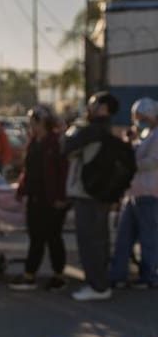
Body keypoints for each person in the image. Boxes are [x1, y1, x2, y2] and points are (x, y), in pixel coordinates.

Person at [64, 91, 120, 301]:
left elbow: (67, 148)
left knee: (90, 242)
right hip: (99, 193)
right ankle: (100, 283)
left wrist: (71, 128)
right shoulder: (105, 130)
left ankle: (97, 286)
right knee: (99, 240)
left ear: (103, 108)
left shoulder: (92, 131)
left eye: (92, 104)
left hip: (88, 194)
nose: (88, 107)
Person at [8, 105, 69, 292]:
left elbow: (63, 172)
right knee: (36, 237)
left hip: (52, 199)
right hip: (35, 198)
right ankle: (29, 275)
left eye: (32, 122)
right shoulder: (34, 142)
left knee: (53, 237)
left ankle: (58, 276)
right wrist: (21, 189)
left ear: (41, 122)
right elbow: (28, 169)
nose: (30, 125)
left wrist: (61, 197)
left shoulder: (56, 142)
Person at [108, 97, 158, 290]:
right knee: (124, 236)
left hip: (149, 193)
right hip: (133, 193)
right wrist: (130, 143)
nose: (139, 121)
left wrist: (130, 163)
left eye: (142, 117)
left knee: (148, 237)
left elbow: (151, 162)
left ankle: (149, 276)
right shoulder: (146, 135)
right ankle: (118, 274)